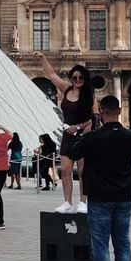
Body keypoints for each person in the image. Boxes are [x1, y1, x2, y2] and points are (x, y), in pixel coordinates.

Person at [66, 95, 131, 261]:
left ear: (101, 112)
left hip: (99, 198)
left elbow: (71, 153)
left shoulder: (93, 138)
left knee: (100, 247)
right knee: (123, 246)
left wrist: (81, 133)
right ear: (119, 112)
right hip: (124, 197)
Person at [38, 53, 95, 214]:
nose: (77, 80)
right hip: (68, 137)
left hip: (83, 137)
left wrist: (77, 127)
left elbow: (93, 120)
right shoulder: (66, 89)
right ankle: (67, 202)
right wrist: (43, 58)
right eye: (74, 77)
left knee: (83, 172)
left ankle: (83, 202)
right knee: (65, 170)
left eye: (80, 78)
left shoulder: (89, 97)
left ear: (85, 79)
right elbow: (51, 75)